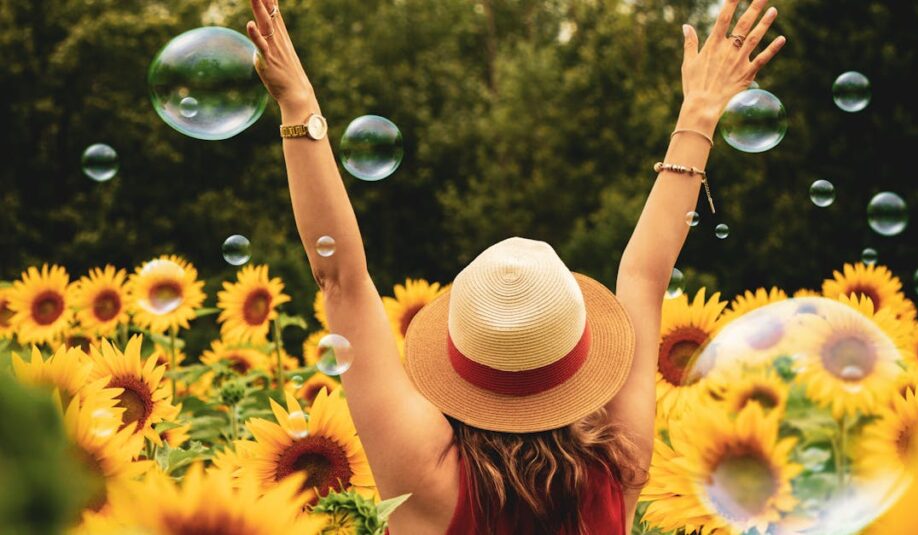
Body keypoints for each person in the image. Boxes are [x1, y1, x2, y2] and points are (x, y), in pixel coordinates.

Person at [244, 0, 785, 532]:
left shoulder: (427, 478)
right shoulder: (617, 469)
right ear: (579, 357)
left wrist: (299, 106)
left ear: (461, 357)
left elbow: (340, 279)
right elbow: (645, 277)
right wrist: (700, 113)